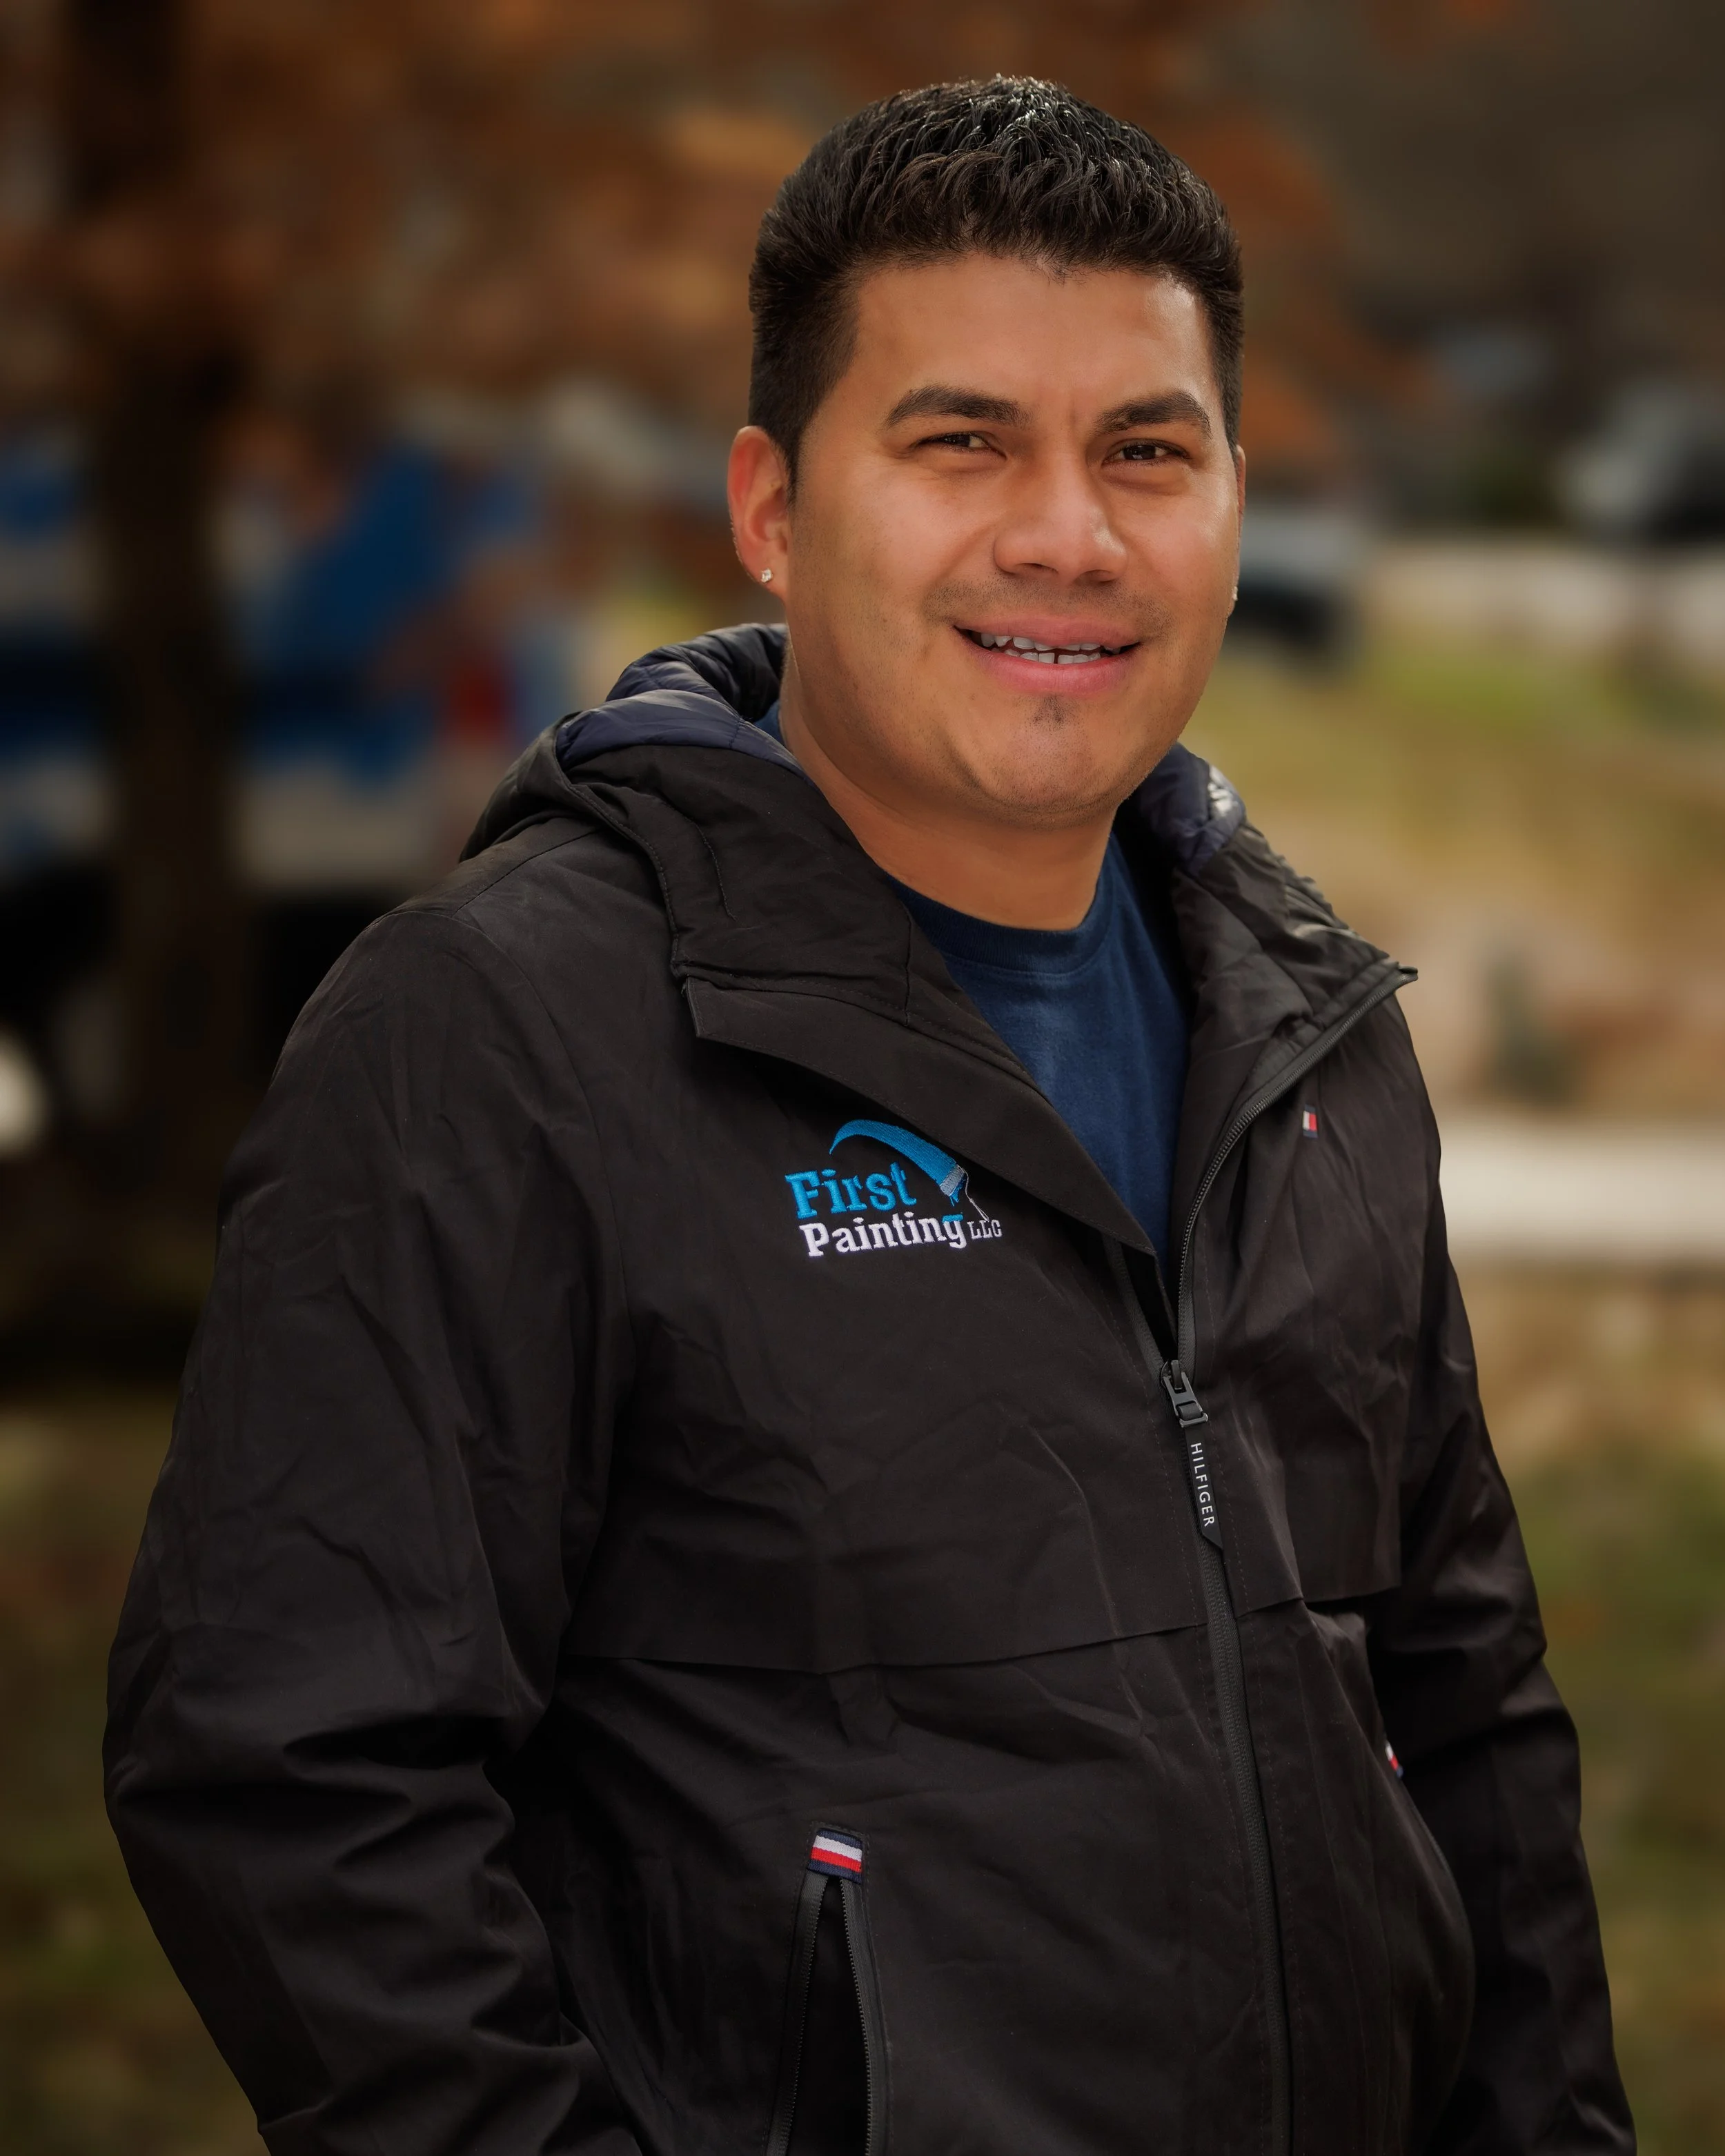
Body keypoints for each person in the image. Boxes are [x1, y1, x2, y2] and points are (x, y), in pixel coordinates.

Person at [106, 79, 1633, 2156]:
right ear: (767, 500)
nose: (1067, 535)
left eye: (1144, 452)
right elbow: (290, 1770)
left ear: (1232, 507)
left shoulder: (1308, 1034)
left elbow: (1463, 1710)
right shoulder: (500, 1033)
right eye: (958, 440)